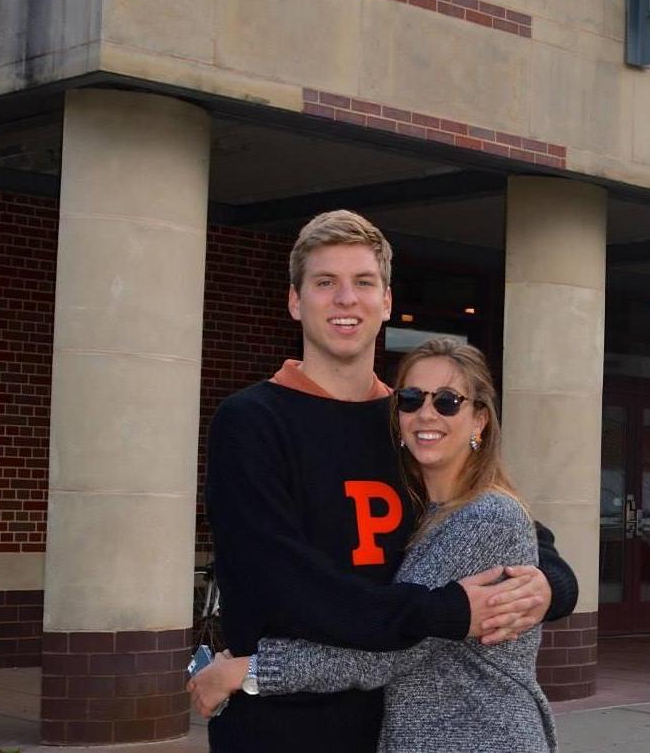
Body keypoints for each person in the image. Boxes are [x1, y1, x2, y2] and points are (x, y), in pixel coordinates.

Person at [198, 210, 576, 752]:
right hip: (283, 725)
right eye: (325, 282)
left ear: (387, 302)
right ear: (294, 301)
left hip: (391, 723)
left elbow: (502, 528)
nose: (345, 299)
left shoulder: (410, 423)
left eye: (363, 283)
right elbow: (284, 583)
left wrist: (551, 587)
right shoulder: (252, 421)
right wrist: (447, 612)